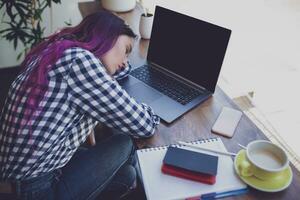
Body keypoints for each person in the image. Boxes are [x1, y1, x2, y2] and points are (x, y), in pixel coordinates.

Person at [0, 10, 160, 200]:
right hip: (36, 190)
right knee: (125, 141)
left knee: (127, 175)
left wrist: (117, 72)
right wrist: (151, 111)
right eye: (126, 50)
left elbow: (114, 75)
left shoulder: (58, 51)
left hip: (21, 178)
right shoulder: (80, 62)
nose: (125, 62)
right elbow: (144, 125)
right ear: (107, 36)